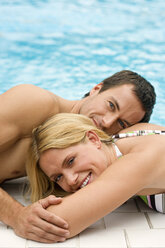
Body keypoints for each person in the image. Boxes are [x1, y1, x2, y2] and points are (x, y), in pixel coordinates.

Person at [0, 70, 156, 243]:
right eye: (111, 105)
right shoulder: (34, 102)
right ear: (96, 89)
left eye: (121, 123)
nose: (107, 122)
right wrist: (14, 214)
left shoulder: (92, 150)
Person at [26, 113, 165, 241]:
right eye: (58, 178)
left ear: (93, 139)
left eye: (70, 161)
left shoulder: (140, 160)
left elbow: (58, 221)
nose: (70, 180)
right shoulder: (125, 136)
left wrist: (17, 215)